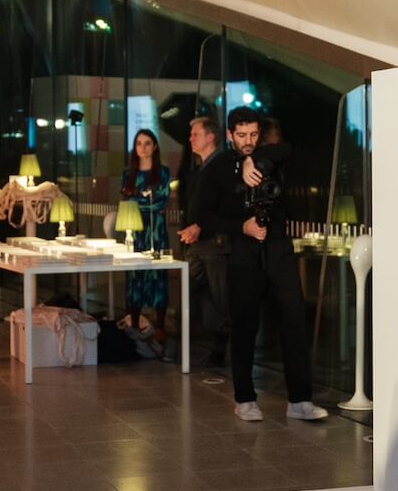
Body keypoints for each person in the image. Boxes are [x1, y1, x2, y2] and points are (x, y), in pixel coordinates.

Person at [195, 108, 328, 424]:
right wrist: (241, 227)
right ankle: (245, 399)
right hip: (243, 253)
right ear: (229, 135)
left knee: (294, 321)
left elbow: (286, 148)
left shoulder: (271, 156)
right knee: (244, 326)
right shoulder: (217, 170)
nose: (248, 141)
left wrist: (255, 161)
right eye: (241, 135)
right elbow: (204, 216)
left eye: (254, 134)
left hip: (279, 250)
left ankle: (299, 400)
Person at [176, 116, 229, 368]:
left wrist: (200, 227)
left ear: (210, 137)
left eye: (195, 134)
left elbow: (221, 207)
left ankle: (223, 346)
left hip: (213, 242)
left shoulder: (221, 166)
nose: (190, 139)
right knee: (192, 291)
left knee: (220, 295)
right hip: (197, 241)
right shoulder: (200, 167)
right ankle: (203, 342)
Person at [119, 128, 172, 346]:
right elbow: (126, 202)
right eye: (139, 143)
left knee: (158, 276)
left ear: (155, 146)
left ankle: (160, 325)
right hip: (135, 230)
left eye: (147, 143)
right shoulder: (128, 174)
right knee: (134, 275)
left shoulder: (164, 173)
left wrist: (138, 201)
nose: (143, 147)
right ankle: (133, 325)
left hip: (157, 230)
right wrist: (144, 203)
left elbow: (163, 201)